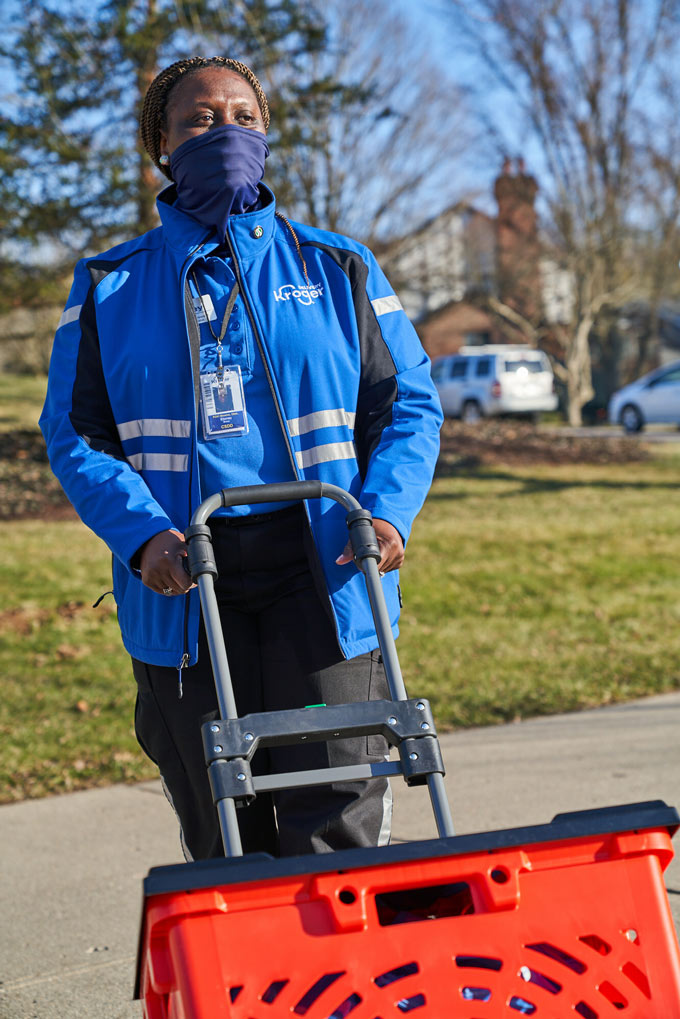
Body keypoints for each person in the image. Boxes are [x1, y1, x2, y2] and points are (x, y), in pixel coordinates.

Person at [40, 56, 443, 861]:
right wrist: (142, 537)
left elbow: (407, 405)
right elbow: (75, 432)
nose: (226, 131)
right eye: (200, 118)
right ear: (161, 144)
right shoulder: (109, 285)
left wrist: (389, 511)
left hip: (326, 569)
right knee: (224, 828)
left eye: (244, 117)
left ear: (266, 134)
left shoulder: (340, 266)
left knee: (335, 820)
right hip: (184, 579)